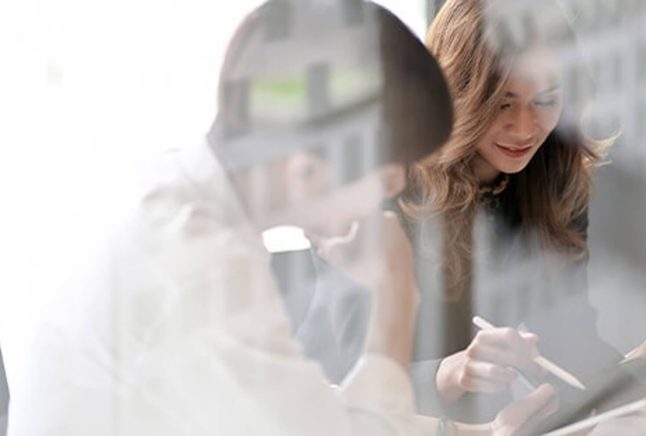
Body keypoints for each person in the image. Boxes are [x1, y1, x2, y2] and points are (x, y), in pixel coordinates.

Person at [8, 1, 559, 435]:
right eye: (388, 175)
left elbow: (306, 409)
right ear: (307, 172)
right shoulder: (199, 267)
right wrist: (396, 295)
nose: (392, 194)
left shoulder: (180, 203)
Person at [296, 0, 646, 425]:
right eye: (501, 102)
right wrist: (453, 372)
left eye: (548, 98)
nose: (525, 127)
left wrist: (626, 379)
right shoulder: (378, 183)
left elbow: (566, 340)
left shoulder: (552, 178)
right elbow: (349, 372)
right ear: (454, 92)